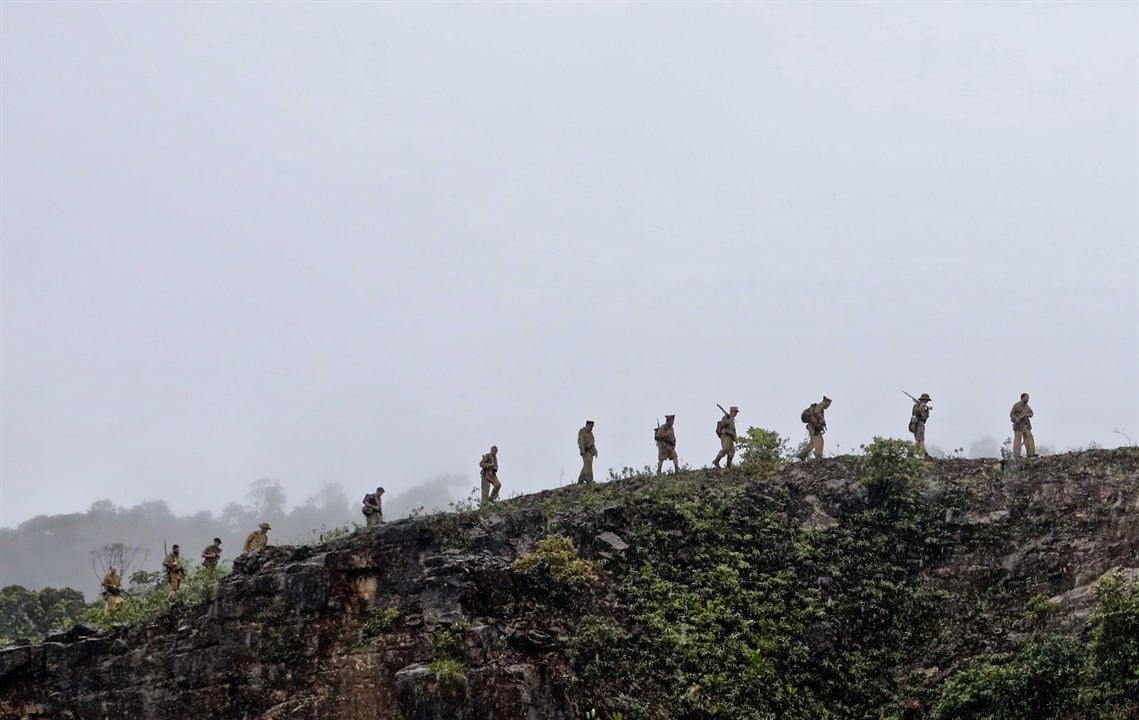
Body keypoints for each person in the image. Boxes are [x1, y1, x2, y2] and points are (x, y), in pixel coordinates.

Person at [797, 396, 832, 461]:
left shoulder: (819, 407)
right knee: (819, 440)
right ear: (825, 402)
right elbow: (816, 412)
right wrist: (821, 419)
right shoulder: (820, 406)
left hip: (812, 426)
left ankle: (802, 455)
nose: (828, 406)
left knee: (813, 441)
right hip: (813, 426)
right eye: (828, 404)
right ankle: (819, 457)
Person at [1010, 392, 1036, 458]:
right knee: (1018, 440)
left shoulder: (1027, 406)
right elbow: (1011, 414)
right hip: (1018, 425)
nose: (1028, 399)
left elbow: (1031, 413)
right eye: (1027, 398)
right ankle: (1017, 455)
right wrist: (1016, 419)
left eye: (1028, 398)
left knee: (1029, 438)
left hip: (1026, 425)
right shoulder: (1016, 405)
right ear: (1022, 398)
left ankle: (1031, 454)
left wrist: (1027, 414)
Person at [910, 393, 932, 458]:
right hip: (915, 424)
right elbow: (915, 413)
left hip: (921, 424)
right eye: (924, 400)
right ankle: (923, 453)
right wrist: (920, 407)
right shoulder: (916, 406)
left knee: (920, 439)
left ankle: (917, 453)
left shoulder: (926, 408)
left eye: (926, 400)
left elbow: (925, 417)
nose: (926, 401)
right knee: (919, 439)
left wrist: (924, 409)